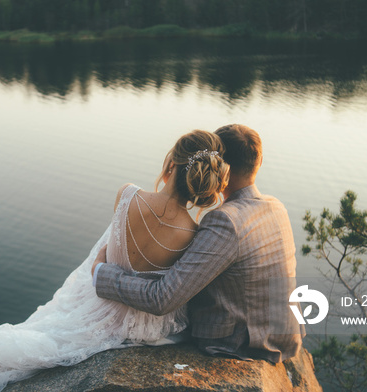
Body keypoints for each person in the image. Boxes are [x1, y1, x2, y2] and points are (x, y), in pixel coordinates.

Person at [0, 130, 230, 392]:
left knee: (40, 336)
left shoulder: (127, 195)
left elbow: (104, 254)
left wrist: (100, 267)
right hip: (142, 326)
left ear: (170, 164)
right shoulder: (192, 233)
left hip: (102, 301)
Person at [93, 124, 304, 363]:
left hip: (237, 343)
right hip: (284, 335)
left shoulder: (225, 221)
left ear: (221, 167)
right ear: (260, 161)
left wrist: (102, 274)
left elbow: (161, 298)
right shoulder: (276, 206)